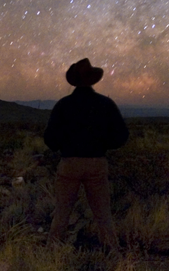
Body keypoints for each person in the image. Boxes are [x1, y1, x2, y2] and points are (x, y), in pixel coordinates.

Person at [44, 58, 129, 250]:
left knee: (62, 212)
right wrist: (103, 145)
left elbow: (50, 139)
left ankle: (52, 254)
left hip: (69, 164)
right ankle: (111, 253)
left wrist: (63, 144)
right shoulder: (106, 104)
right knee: (103, 214)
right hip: (96, 163)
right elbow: (121, 136)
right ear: (92, 80)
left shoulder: (63, 105)